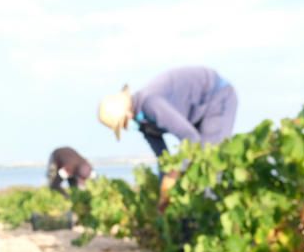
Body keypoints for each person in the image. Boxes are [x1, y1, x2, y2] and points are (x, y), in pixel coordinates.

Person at [97, 66, 237, 210]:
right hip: (197, 113)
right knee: (191, 168)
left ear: (128, 115)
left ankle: (214, 217)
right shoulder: (143, 124)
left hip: (217, 96)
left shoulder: (150, 104)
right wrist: (163, 194)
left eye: (124, 124)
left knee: (209, 165)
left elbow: (191, 138)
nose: (126, 128)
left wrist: (174, 174)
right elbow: (163, 159)